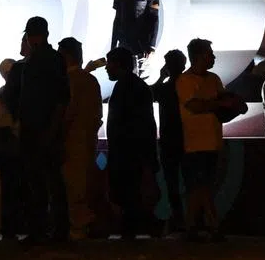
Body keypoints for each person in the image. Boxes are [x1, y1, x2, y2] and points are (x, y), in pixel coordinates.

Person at [4, 17, 70, 245]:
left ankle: (46, 229)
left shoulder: (43, 61)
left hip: (40, 128)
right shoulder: (47, 60)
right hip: (38, 128)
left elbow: (60, 98)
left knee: (42, 181)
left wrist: (50, 130)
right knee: (43, 181)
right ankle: (49, 229)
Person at [176, 38, 246, 241]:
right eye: (210, 53)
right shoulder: (185, 80)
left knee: (201, 186)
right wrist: (221, 105)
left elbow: (218, 102)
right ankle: (209, 225)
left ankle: (194, 226)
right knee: (201, 185)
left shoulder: (214, 79)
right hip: (194, 143)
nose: (213, 57)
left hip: (212, 142)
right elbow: (194, 106)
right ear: (198, 56)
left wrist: (223, 105)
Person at [105, 47, 159, 240]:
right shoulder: (136, 86)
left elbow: (135, 124)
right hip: (135, 152)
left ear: (118, 64)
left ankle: (133, 230)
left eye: (109, 63)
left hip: (128, 153)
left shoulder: (125, 87)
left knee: (129, 193)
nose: (106, 68)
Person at [57, 37, 102, 240]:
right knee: (84, 184)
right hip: (88, 140)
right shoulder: (90, 80)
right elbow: (97, 116)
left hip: (70, 141)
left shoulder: (68, 81)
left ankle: (78, 227)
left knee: (72, 187)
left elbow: (67, 113)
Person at [152, 49, 186, 232]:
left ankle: (178, 217)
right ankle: (189, 218)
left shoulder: (164, 88)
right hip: (187, 139)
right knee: (190, 181)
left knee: (171, 182)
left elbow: (151, 93)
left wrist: (160, 77)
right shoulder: (188, 86)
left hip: (169, 140)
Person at [111, 0, 160, 77]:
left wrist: (152, 45)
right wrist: (113, 45)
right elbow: (117, 18)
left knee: (140, 78)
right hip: (124, 43)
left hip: (141, 45)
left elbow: (154, 17)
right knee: (123, 77)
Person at [0, 59, 21, 240]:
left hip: (7, 148)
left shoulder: (3, 94)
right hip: (17, 146)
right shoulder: (24, 92)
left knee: (9, 189)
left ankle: (9, 228)